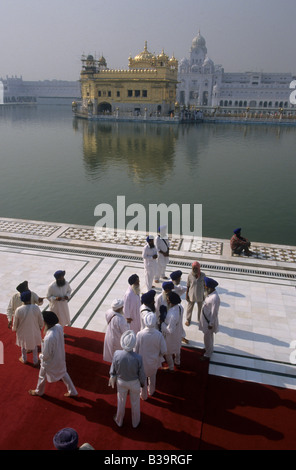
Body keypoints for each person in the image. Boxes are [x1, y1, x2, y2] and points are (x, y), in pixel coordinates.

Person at [29, 311, 78, 397]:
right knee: (63, 373)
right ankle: (73, 391)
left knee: (42, 376)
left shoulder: (49, 337)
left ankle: (38, 391)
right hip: (60, 356)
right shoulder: (58, 327)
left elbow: (46, 356)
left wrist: (40, 355)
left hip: (50, 361)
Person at [109, 330, 146, 428]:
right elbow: (141, 373)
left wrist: (112, 376)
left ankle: (119, 421)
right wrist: (142, 383)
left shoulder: (117, 354)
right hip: (134, 383)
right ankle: (135, 423)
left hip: (121, 382)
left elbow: (113, 369)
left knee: (121, 402)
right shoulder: (138, 357)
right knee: (135, 403)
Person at [135, 312, 167, 400]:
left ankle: (144, 395)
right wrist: (158, 356)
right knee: (152, 378)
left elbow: (135, 350)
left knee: (143, 380)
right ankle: (151, 391)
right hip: (154, 362)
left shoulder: (140, 334)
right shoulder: (159, 335)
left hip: (142, 363)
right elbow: (164, 350)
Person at [12, 290, 44, 366]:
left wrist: (14, 328)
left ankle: (24, 359)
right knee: (35, 346)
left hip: (22, 330)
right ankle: (35, 361)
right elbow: (40, 319)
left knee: (23, 346)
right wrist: (40, 326)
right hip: (34, 329)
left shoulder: (18, 310)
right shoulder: (35, 308)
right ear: (30, 298)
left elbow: (15, 322)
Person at [161, 291, 184, 372]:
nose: (167, 301)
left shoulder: (172, 314)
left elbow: (170, 330)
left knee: (168, 352)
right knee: (177, 348)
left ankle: (171, 367)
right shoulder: (180, 307)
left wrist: (162, 324)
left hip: (171, 336)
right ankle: (178, 361)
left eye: (168, 299)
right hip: (178, 332)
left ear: (171, 301)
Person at [199, 277, 220, 361]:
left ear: (209, 287)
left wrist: (211, 323)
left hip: (209, 322)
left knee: (207, 337)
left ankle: (207, 354)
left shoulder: (215, 298)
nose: (204, 287)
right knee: (209, 337)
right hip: (205, 319)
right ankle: (209, 349)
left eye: (205, 286)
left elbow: (214, 312)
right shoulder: (210, 294)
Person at [103, 299, 129, 363]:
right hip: (116, 339)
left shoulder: (108, 312)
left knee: (111, 352)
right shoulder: (120, 319)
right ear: (120, 308)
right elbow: (125, 332)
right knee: (116, 356)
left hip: (109, 334)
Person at [185, 261, 205, 326]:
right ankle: (188, 319)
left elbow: (205, 286)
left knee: (200, 308)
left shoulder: (203, 275)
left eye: (196, 268)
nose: (194, 270)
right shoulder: (190, 275)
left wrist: (205, 295)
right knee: (189, 308)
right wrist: (186, 294)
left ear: (198, 268)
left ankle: (200, 320)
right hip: (192, 294)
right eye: (193, 268)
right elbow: (188, 285)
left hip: (200, 294)